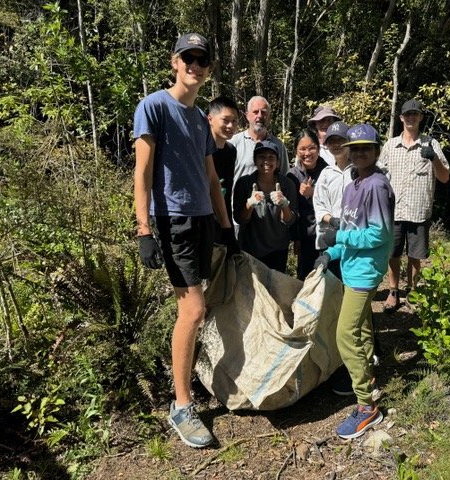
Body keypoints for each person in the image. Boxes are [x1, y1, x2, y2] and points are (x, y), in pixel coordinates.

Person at [133, 32, 238, 449]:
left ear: (208, 70)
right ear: (175, 61)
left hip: (202, 221)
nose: (195, 65)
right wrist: (144, 230)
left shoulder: (199, 120)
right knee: (192, 310)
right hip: (172, 220)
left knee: (196, 308)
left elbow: (212, 179)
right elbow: (142, 172)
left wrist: (226, 228)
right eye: (188, 57)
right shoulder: (154, 106)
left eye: (202, 60)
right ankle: (181, 405)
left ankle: (189, 379)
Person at [314, 123, 395, 439]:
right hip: (350, 266)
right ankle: (368, 380)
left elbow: (379, 234)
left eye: (366, 147)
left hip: (366, 271)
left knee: (345, 335)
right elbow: (349, 229)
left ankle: (366, 406)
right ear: (346, 150)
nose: (359, 152)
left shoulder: (376, 185)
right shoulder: (353, 185)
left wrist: (340, 235)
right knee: (360, 329)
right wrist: (331, 252)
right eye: (355, 147)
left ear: (376, 151)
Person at [378, 99, 450, 312]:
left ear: (420, 117)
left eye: (415, 114)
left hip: (419, 211)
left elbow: (445, 176)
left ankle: (412, 292)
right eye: (407, 114)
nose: (411, 118)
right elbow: (379, 175)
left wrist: (434, 158)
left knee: (415, 256)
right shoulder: (390, 145)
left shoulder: (431, 144)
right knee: (393, 254)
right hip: (394, 211)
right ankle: (393, 292)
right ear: (401, 118)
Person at [233, 140, 298, 272]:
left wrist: (284, 205)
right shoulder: (244, 183)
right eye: (262, 157)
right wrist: (249, 204)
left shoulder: (287, 184)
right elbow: (240, 219)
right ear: (255, 160)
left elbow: (289, 220)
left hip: (278, 249)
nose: (266, 161)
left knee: (274, 289)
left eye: (271, 157)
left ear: (278, 162)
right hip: (250, 248)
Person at [313, 121, 353, 279]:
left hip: (353, 237)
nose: (336, 145)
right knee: (331, 283)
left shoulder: (359, 171)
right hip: (330, 237)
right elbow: (319, 204)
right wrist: (331, 220)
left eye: (340, 140)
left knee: (350, 283)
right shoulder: (326, 173)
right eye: (331, 141)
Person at [287, 129, 329, 280]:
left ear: (318, 148)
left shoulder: (329, 171)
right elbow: (291, 210)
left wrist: (313, 194)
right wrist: (295, 238)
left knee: (327, 276)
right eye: (302, 149)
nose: (307, 153)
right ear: (296, 151)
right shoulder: (292, 175)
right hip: (305, 236)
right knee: (306, 277)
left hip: (327, 235)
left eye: (312, 148)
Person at [230, 96, 289, 187]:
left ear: (269, 117)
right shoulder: (234, 143)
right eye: (255, 112)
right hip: (240, 200)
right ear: (247, 115)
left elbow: (285, 178)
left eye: (264, 112)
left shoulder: (279, 145)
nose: (260, 116)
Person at [207, 96, 240, 233]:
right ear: (210, 119)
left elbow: (226, 192)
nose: (230, 126)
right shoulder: (200, 149)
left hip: (223, 223)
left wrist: (228, 228)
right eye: (225, 120)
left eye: (234, 121)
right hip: (202, 223)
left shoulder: (231, 151)